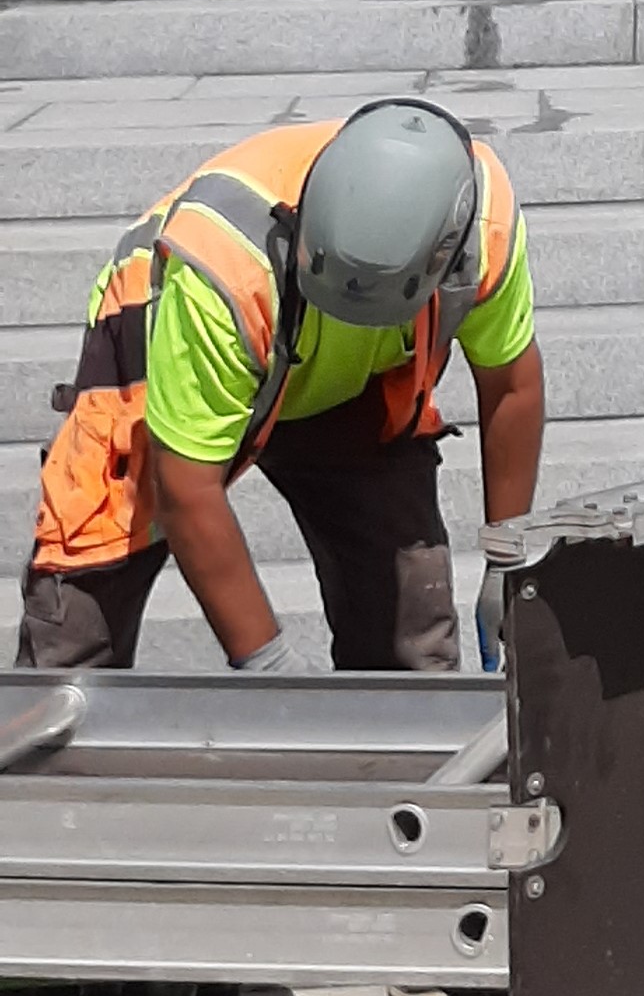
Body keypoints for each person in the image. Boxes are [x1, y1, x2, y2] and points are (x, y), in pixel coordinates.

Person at [15, 99, 542, 678]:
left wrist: (507, 561)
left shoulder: (480, 227)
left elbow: (512, 386)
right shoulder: (220, 269)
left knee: (406, 636)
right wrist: (270, 667)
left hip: (354, 384)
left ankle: (401, 758)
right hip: (170, 350)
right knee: (76, 636)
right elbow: (187, 487)